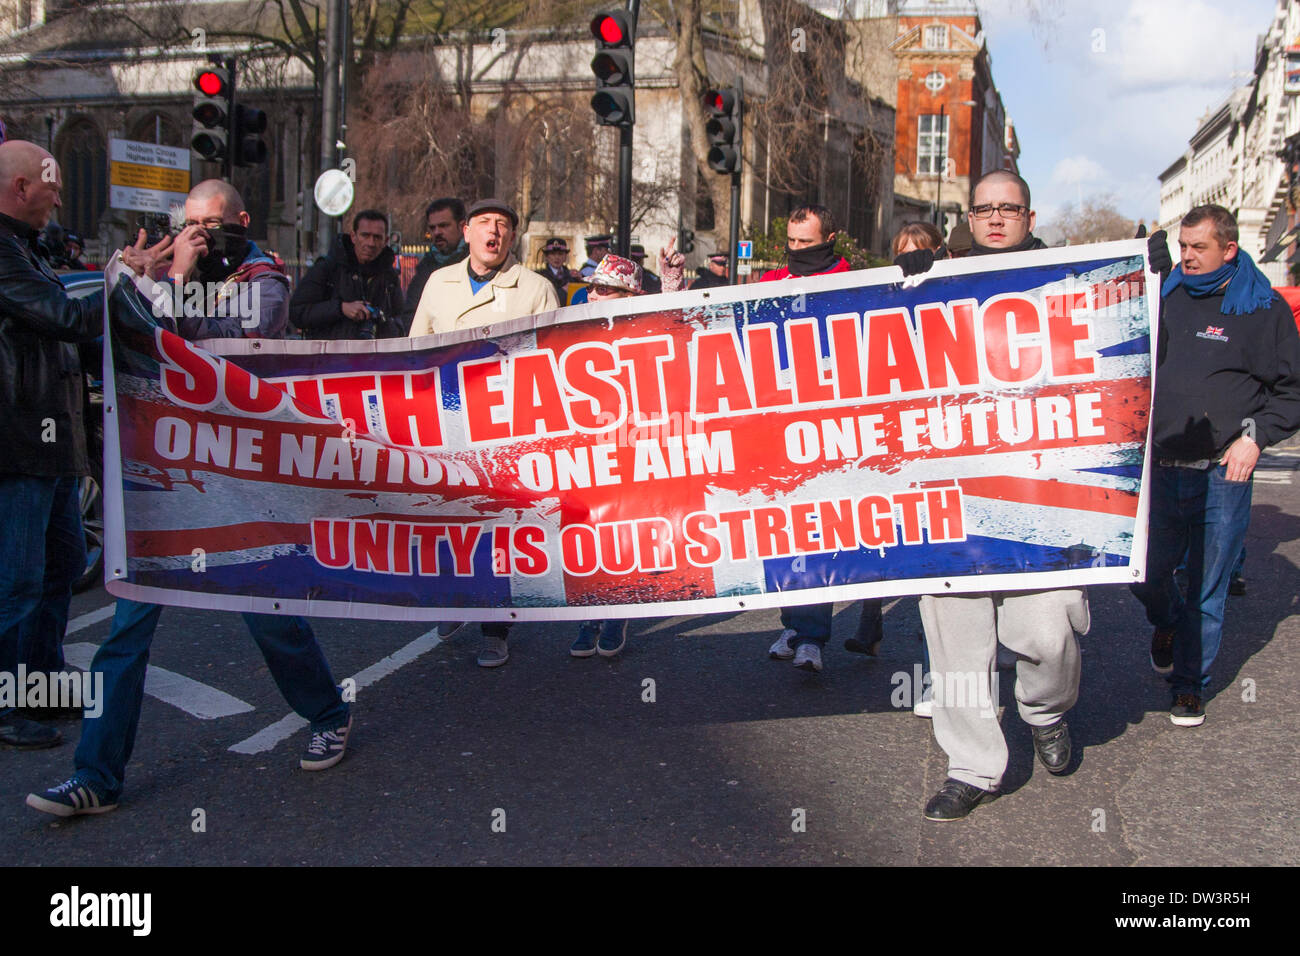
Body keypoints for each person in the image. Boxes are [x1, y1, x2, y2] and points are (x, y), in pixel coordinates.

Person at [27, 179, 353, 818]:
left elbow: (213, 337)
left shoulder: (266, 280)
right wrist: (132, 273)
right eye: (190, 223)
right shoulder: (177, 269)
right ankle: (95, 775)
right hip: (166, 473)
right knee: (128, 624)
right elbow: (126, 334)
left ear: (241, 220)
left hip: (237, 478)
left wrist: (174, 283)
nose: (198, 234)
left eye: (211, 224)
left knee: (267, 612)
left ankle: (328, 711)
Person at [898, 171, 1084, 821]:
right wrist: (903, 286)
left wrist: (1151, 291)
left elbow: (1140, 356)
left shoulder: (1071, 276)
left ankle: (1045, 711)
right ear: (969, 217)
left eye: (1010, 208)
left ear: (1029, 216)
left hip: (1042, 493)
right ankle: (972, 764)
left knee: (1050, 628)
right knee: (956, 640)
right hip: (954, 493)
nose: (997, 218)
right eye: (985, 209)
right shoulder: (933, 279)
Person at [1132, 205, 1300, 727]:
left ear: (1229, 249)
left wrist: (1256, 437)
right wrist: (1142, 270)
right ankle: (1169, 621)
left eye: (1197, 248)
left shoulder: (1262, 309)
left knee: (1208, 583)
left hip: (1223, 471)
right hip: (1159, 465)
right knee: (1147, 575)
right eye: (1182, 246)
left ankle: (1189, 684)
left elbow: (1291, 392)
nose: (1186, 257)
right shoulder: (1166, 292)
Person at [409, 198, 560, 667]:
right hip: (450, 425)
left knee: (499, 526)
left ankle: (497, 625)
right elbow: (415, 351)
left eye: (502, 226)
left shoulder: (535, 288)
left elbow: (554, 358)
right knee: (451, 518)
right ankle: (457, 600)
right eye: (484, 224)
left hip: (507, 429)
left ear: (511, 238)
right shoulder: (439, 282)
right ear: (467, 232)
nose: (493, 233)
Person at [0, 140, 103, 750]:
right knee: (17, 578)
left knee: (63, 563)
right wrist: (122, 284)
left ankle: (41, 680)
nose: (61, 196)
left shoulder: (26, 247)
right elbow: (63, 316)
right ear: (19, 189)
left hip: (51, 440)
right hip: (16, 441)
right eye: (52, 185)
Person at [758, 205, 872, 674]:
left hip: (829, 426)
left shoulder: (854, 286)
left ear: (831, 239)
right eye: (792, 241)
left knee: (817, 530)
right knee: (784, 533)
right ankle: (794, 621)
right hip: (777, 425)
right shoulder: (770, 282)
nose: (798, 250)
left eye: (808, 242)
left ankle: (813, 637)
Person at [290, 209, 405, 339]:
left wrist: (383, 323)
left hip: (376, 356)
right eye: (365, 235)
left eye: (377, 237)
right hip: (331, 356)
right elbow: (297, 312)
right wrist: (340, 309)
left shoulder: (389, 277)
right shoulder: (328, 269)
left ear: (386, 241)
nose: (371, 243)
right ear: (353, 237)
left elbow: (401, 320)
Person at [402, 197, 467, 326]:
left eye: (444, 226)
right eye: (432, 228)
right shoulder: (424, 270)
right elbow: (411, 315)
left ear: (462, 226)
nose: (437, 232)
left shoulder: (477, 263)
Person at [535, 236, 577, 301]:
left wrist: (581, 278)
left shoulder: (572, 276)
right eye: (553, 254)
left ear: (565, 256)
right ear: (547, 256)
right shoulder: (540, 276)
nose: (557, 257)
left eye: (560, 254)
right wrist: (563, 291)